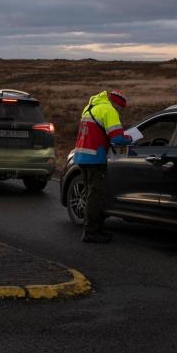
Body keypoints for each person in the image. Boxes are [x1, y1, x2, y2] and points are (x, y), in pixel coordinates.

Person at [72, 89, 133, 243]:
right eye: (119, 109)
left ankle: (95, 229)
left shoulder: (90, 107)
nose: (118, 111)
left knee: (90, 193)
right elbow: (118, 138)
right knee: (95, 195)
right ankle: (91, 231)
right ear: (116, 104)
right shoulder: (108, 110)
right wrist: (129, 138)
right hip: (95, 158)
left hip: (81, 156)